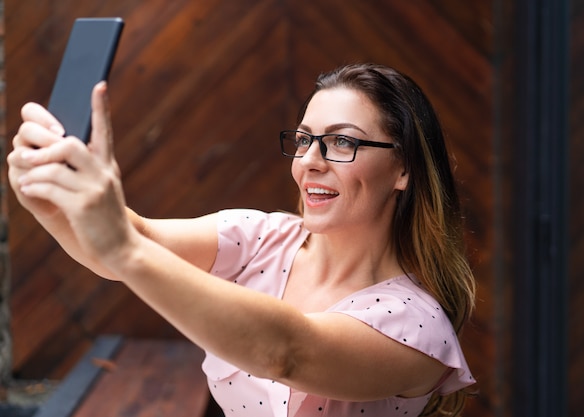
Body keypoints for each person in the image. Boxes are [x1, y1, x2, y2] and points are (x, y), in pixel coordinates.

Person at [8, 63, 476, 416]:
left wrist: (124, 248)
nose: (309, 161)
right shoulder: (262, 238)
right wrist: (44, 197)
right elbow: (130, 241)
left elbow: (286, 352)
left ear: (404, 169)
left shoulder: (418, 328)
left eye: (342, 142)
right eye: (304, 139)